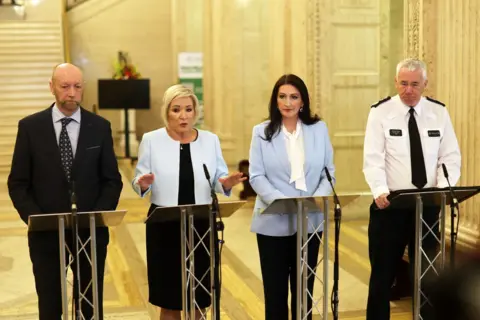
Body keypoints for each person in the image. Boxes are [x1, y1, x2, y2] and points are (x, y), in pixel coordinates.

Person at [7, 63, 123, 319]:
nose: (72, 93)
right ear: (52, 87)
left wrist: (97, 217)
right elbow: (18, 183)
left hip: (90, 232)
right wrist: (36, 220)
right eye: (65, 86)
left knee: (90, 305)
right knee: (49, 304)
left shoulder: (100, 126)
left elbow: (112, 180)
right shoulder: (30, 127)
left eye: (77, 87)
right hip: (46, 234)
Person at [132, 84, 246, 320]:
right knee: (169, 300)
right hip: (164, 224)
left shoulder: (210, 140)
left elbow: (217, 178)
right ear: (167, 112)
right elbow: (139, 179)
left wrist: (226, 182)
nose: (183, 116)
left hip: (201, 225)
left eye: (188, 109)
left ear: (195, 112)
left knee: (198, 296)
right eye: (176, 110)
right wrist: (142, 183)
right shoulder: (152, 140)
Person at [363, 58, 461, 320]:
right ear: (396, 82)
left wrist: (442, 190)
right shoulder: (380, 112)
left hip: (427, 206)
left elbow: (449, 156)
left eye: (415, 84)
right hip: (390, 205)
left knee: (428, 276)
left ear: (425, 84)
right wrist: (379, 190)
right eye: (403, 83)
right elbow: (373, 158)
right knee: (382, 276)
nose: (408, 89)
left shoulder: (438, 113)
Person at [248, 74, 335, 320]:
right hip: (272, 222)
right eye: (282, 96)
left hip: (310, 221)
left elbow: (329, 173)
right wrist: (280, 201)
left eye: (294, 97)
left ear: (303, 101)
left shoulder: (318, 129)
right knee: (275, 293)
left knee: (303, 290)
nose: (288, 102)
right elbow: (256, 175)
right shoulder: (261, 132)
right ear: (275, 101)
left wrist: (314, 201)